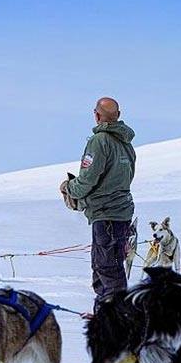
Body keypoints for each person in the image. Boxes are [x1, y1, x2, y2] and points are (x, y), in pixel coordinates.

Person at [59, 96, 137, 309]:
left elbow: (88, 178)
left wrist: (69, 188)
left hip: (106, 213)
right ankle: (104, 314)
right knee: (106, 266)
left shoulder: (99, 141)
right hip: (121, 212)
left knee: (107, 268)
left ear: (96, 116)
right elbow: (127, 177)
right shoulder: (126, 143)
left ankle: (118, 319)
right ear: (118, 116)